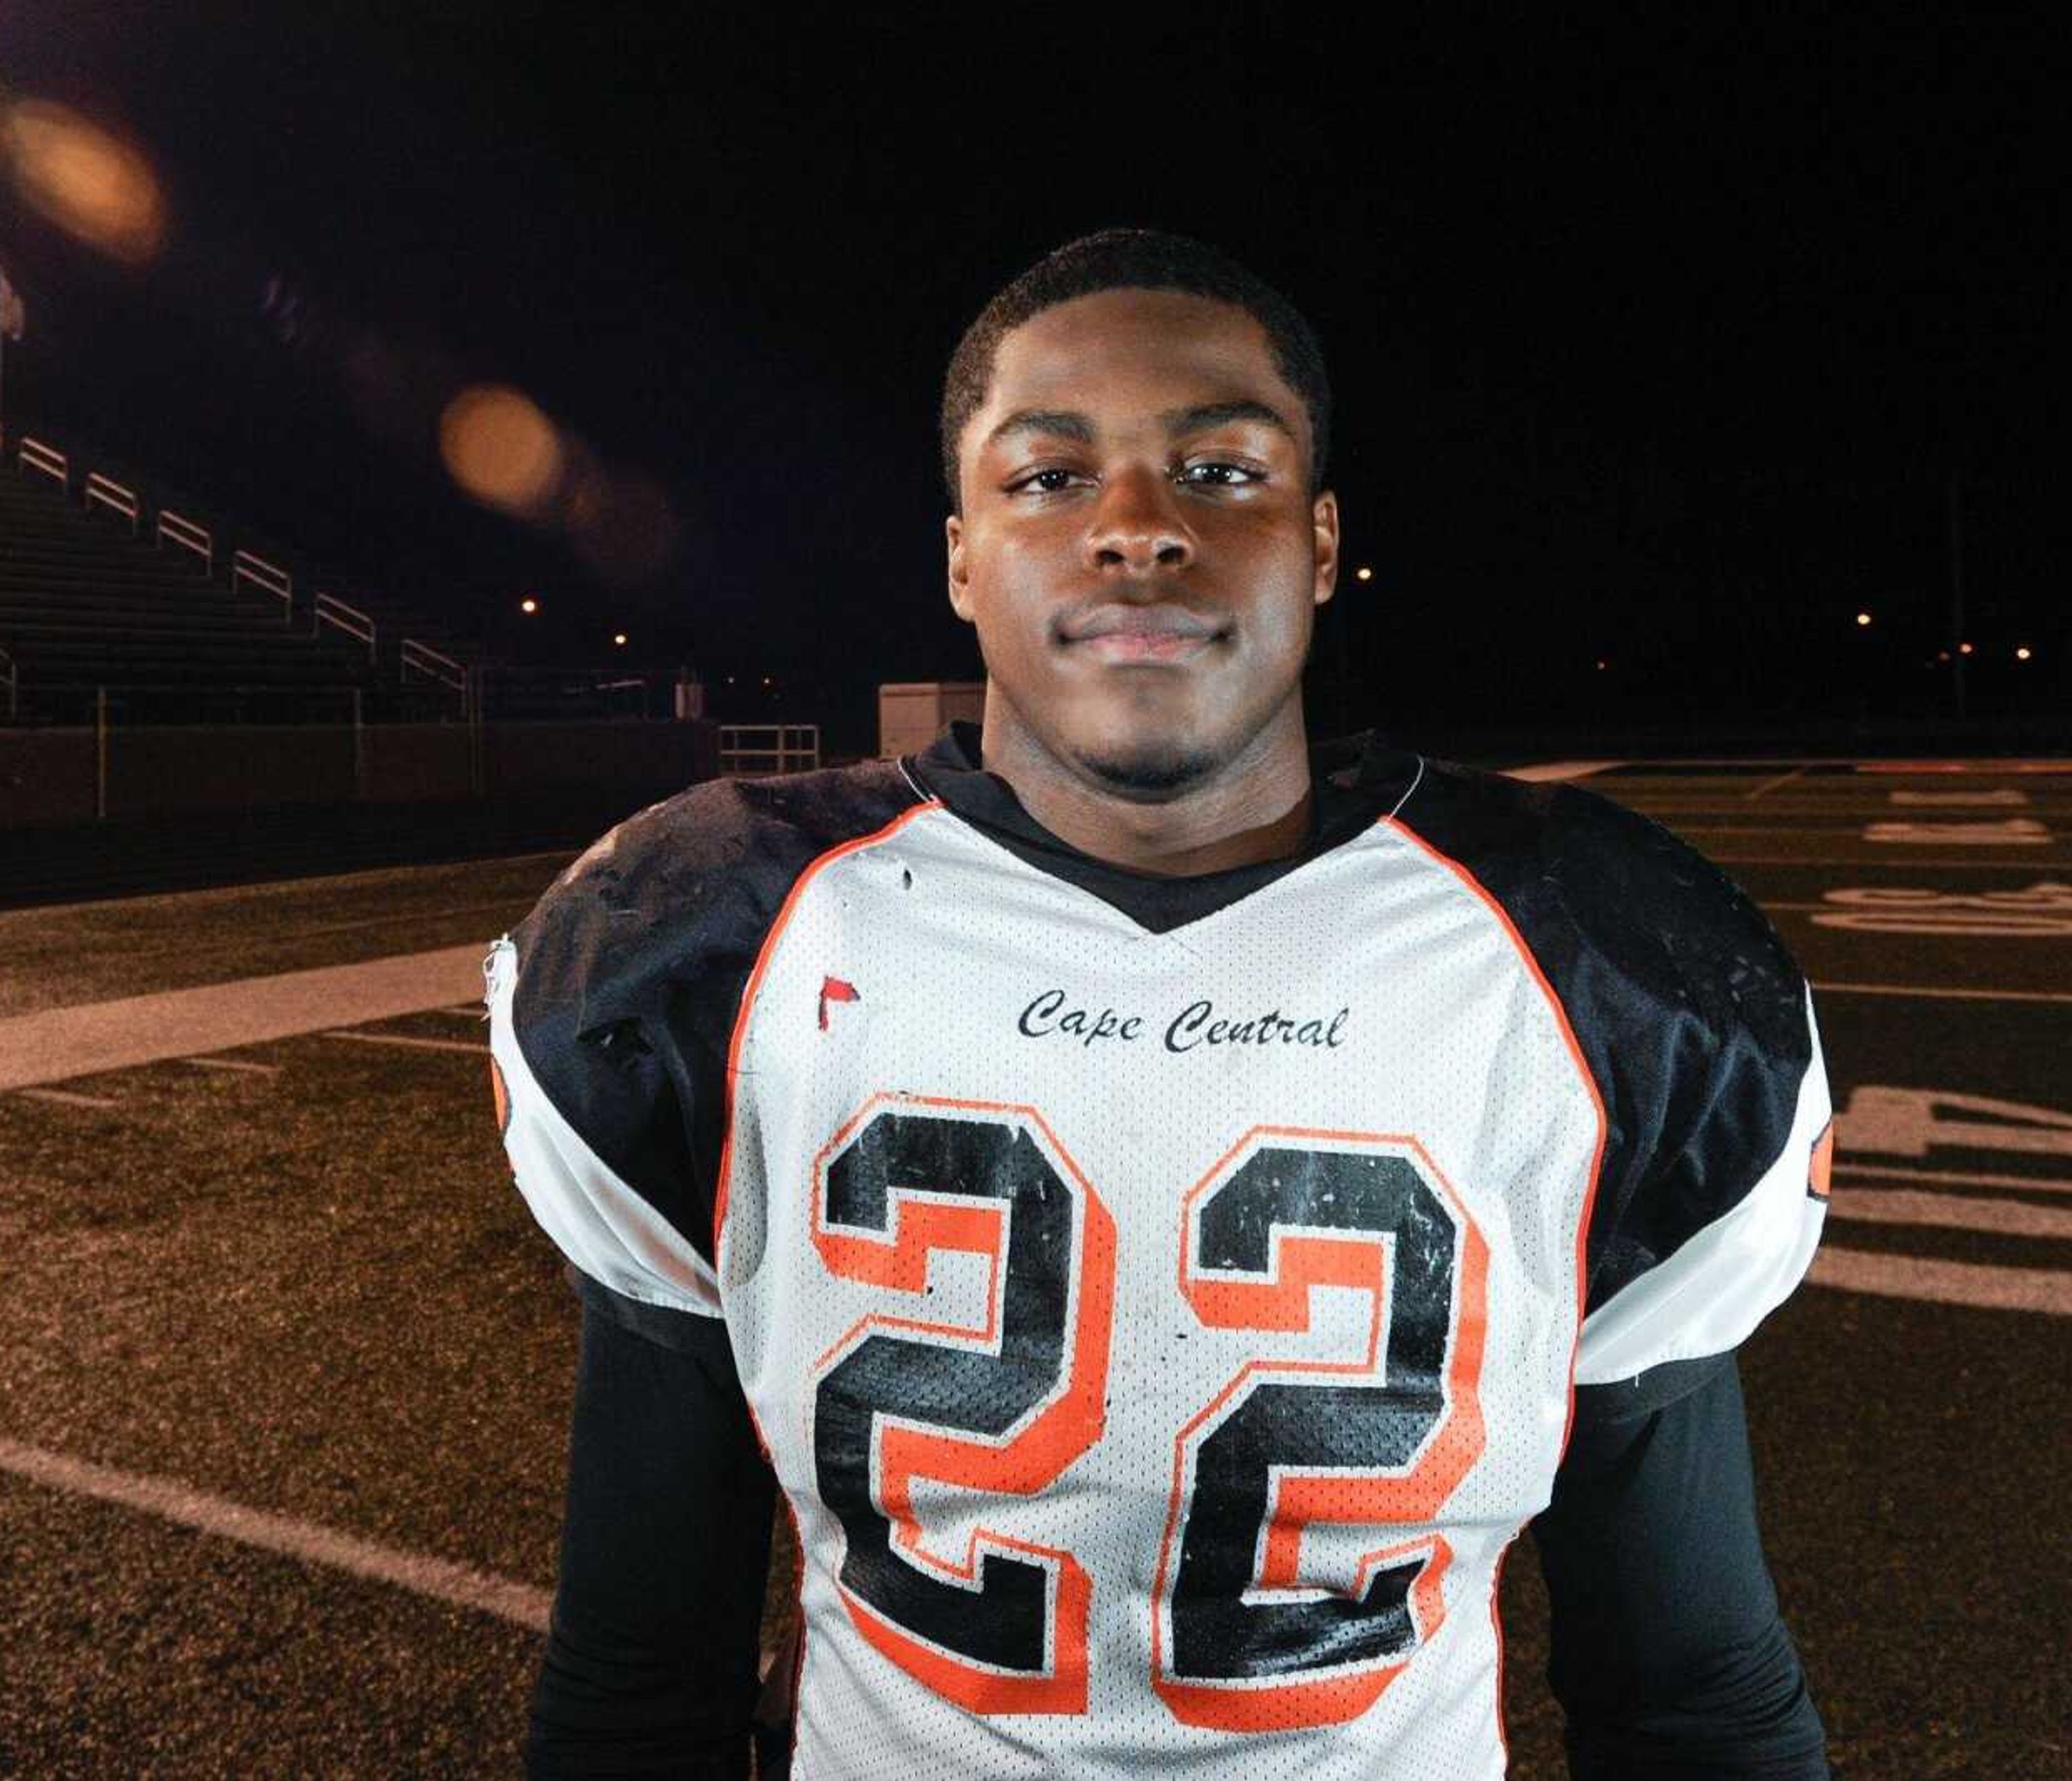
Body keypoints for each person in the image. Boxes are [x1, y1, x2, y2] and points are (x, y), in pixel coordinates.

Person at [482, 229, 1832, 1779]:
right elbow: (642, 1667)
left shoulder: (1596, 969)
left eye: (1223, 472)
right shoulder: (719, 941)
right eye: (1051, 479)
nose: (1137, 530)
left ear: (1321, 546)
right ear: (961, 556)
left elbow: (1692, 1684)